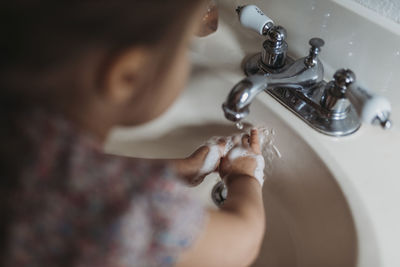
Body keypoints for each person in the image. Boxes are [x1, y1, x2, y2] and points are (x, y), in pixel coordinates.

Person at [0, 1, 266, 266]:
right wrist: (243, 177)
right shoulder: (133, 207)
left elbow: (86, 176)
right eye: (186, 48)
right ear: (129, 75)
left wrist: (183, 168)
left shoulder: (20, 139)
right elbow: (242, 244)